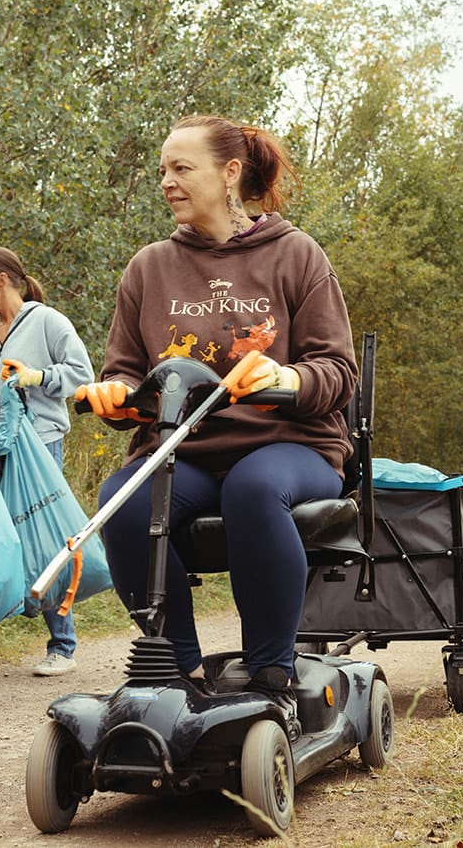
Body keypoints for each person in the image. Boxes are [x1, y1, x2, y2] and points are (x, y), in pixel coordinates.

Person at [79, 114, 358, 736]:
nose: (167, 183)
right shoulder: (148, 268)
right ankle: (175, 675)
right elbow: (128, 376)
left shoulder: (295, 254)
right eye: (162, 172)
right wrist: (118, 398)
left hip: (292, 445)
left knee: (252, 489)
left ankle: (271, 674)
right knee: (120, 503)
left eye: (182, 168)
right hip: (189, 452)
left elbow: (338, 370)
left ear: (230, 173)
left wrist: (286, 380)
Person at [0, 247, 96, 677]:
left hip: (38, 443)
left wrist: (39, 377)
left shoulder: (47, 322)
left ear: (3, 279)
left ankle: (62, 646)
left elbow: (82, 375)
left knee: (44, 541)